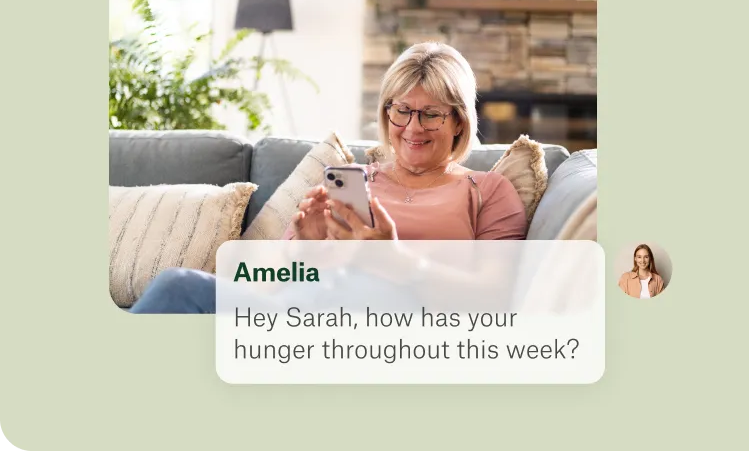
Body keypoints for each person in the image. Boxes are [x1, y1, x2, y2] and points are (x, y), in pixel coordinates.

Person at [129, 42, 528, 314]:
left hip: (392, 326)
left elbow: (495, 297)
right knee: (176, 286)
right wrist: (304, 249)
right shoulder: (354, 182)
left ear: (459, 120)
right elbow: (274, 280)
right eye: (401, 110)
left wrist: (395, 261)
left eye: (431, 114)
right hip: (299, 314)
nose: (412, 127)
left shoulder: (489, 191)